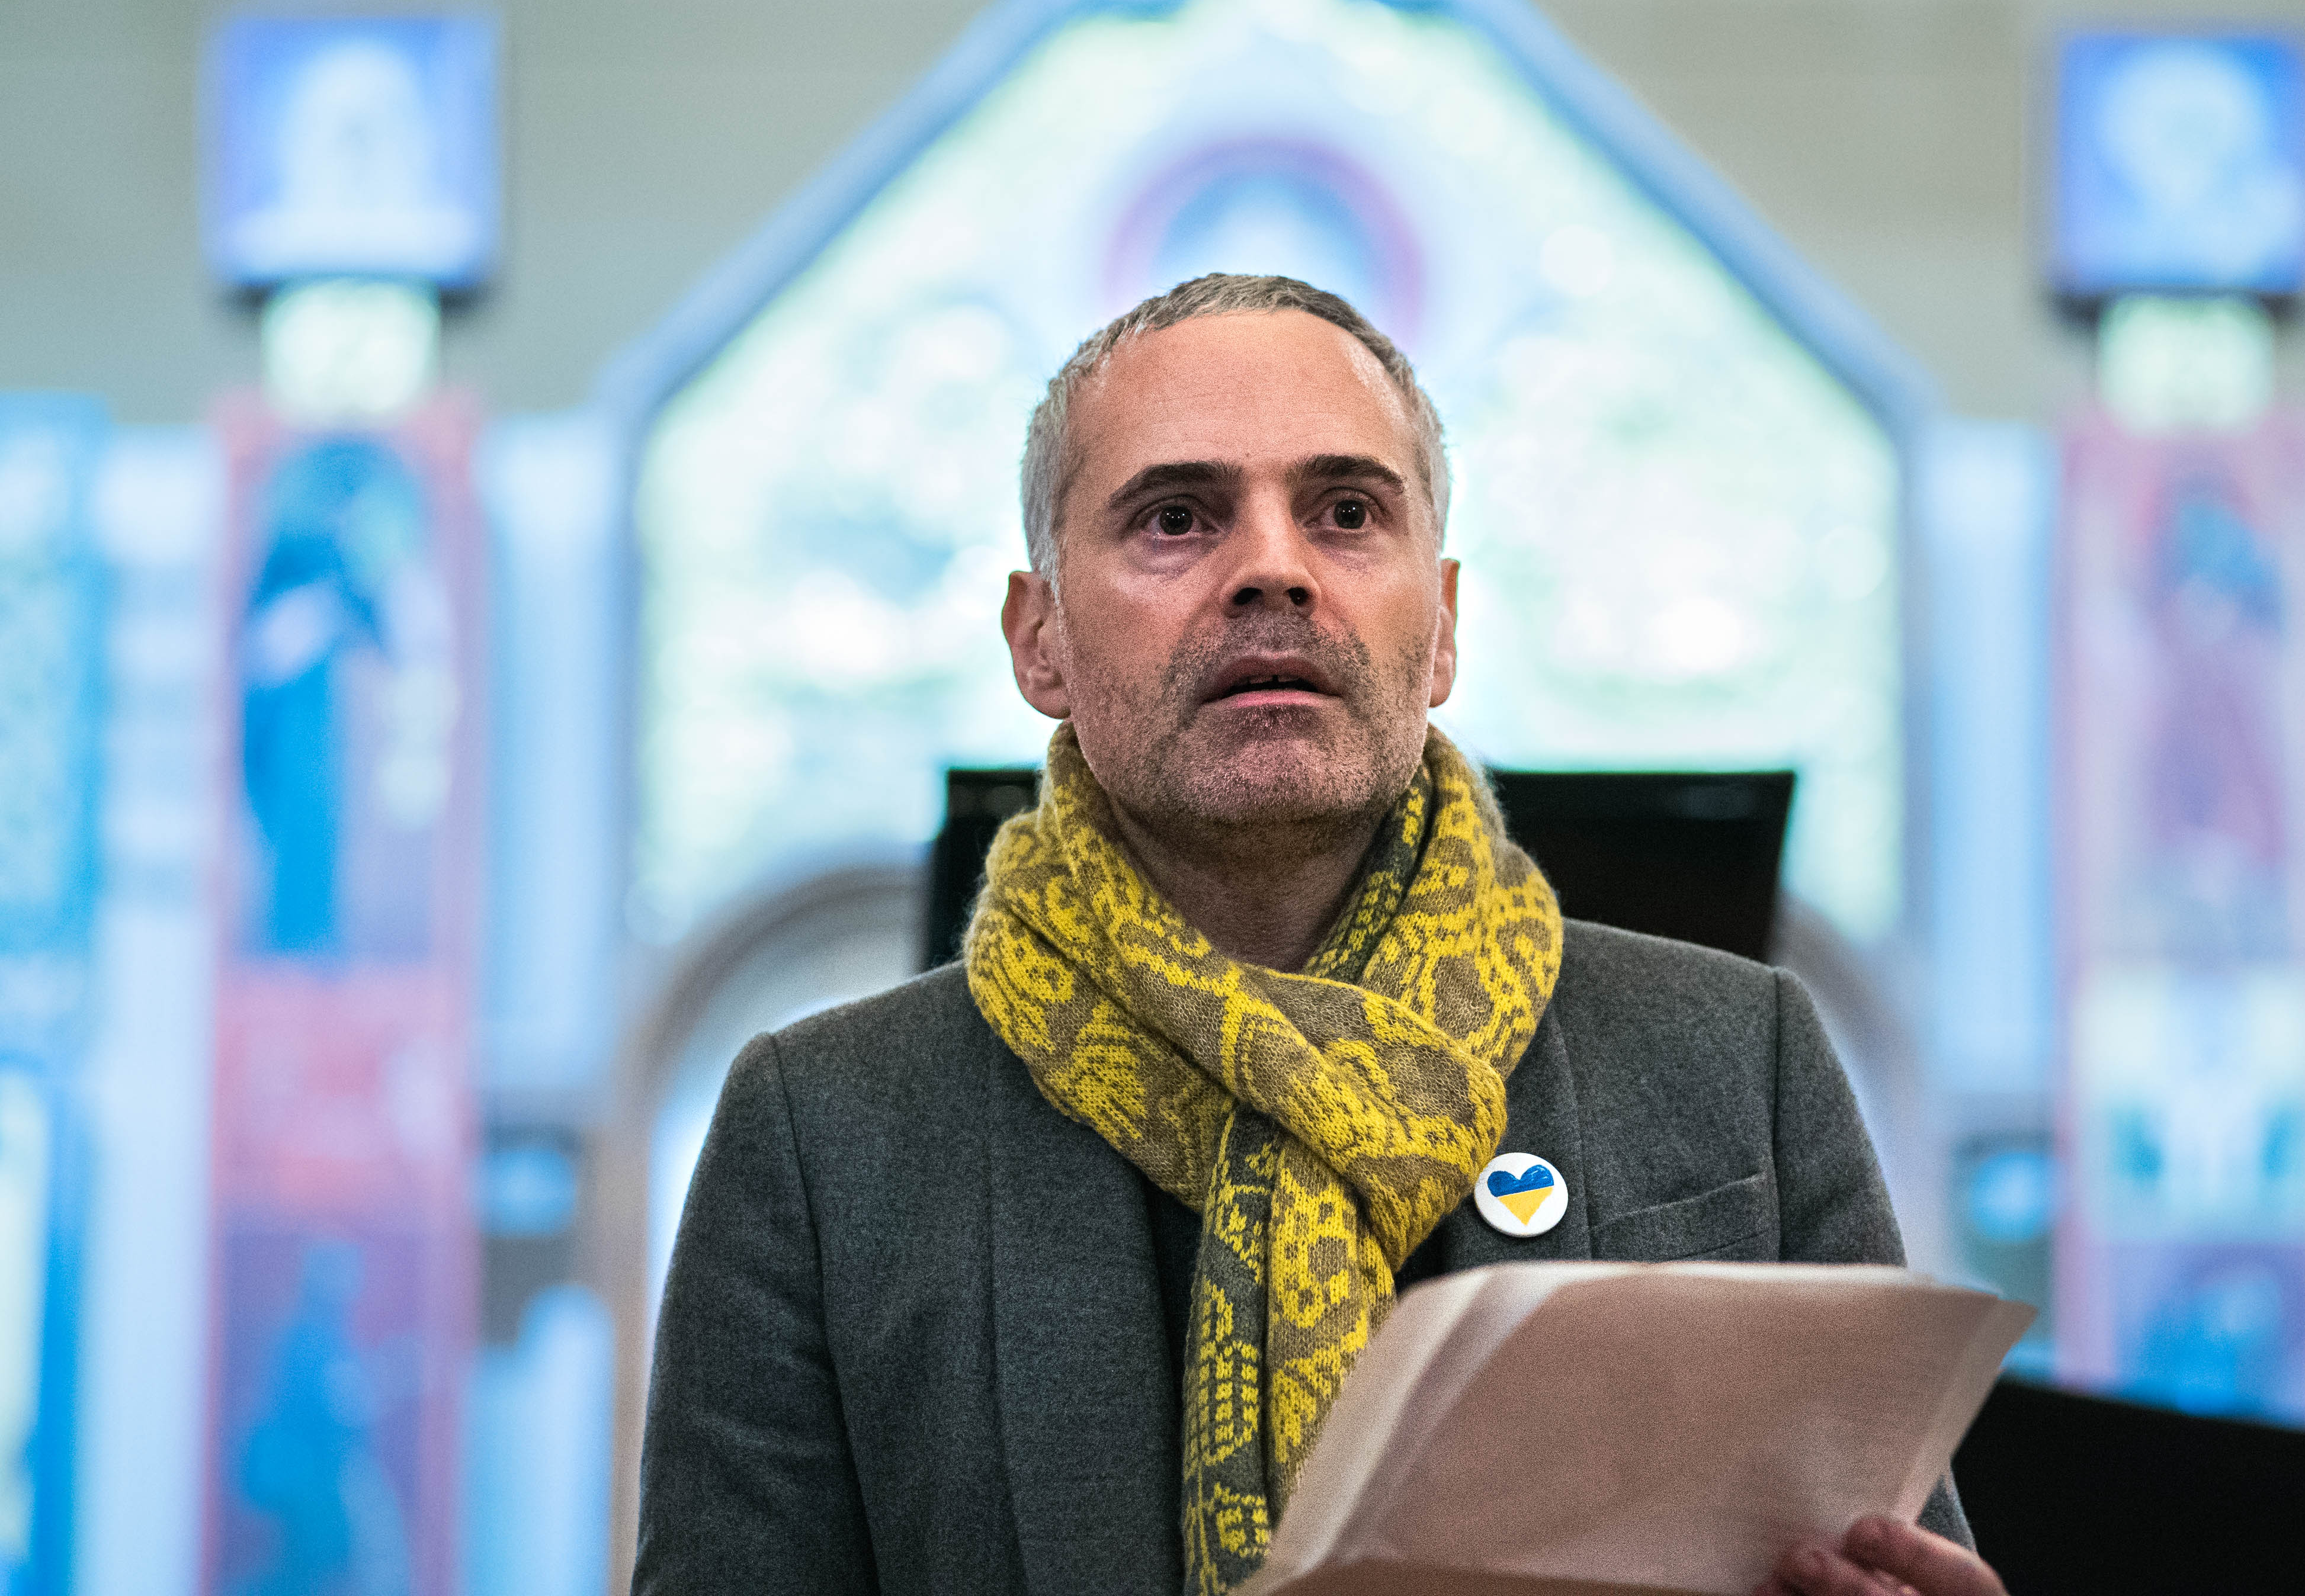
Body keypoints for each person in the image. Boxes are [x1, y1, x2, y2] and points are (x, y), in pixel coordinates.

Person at [634, 274, 2009, 1596]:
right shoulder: (823, 1135)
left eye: (1346, 512)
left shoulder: (1735, 1063)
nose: (1272, 571)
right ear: (1037, 636)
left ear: (1444, 625)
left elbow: (1884, 1546)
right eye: (1176, 518)